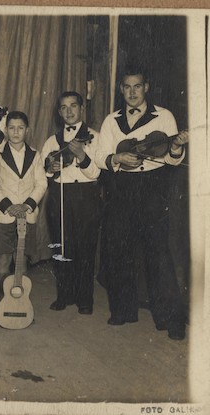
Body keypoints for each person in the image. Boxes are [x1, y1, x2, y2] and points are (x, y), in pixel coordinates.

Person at [94, 67, 188, 340]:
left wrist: (176, 147)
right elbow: (100, 156)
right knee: (118, 250)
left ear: (146, 87)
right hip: (121, 188)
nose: (132, 92)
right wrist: (116, 158)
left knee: (158, 253)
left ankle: (170, 319)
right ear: (121, 89)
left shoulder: (164, 116)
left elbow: (171, 159)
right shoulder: (111, 120)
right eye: (127, 87)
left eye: (137, 86)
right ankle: (123, 311)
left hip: (151, 189)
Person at [41, 91, 101, 315]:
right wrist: (51, 168)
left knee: (86, 247)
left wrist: (82, 156)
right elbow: (43, 173)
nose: (69, 111)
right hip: (60, 195)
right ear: (59, 112)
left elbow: (96, 172)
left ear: (82, 109)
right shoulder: (52, 141)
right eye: (64, 107)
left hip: (86, 196)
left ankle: (85, 299)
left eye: (73, 106)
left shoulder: (95, 137)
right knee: (62, 246)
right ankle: (64, 295)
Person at [0, 111, 47, 319]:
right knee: (3, 261)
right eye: (11, 128)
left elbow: (41, 183)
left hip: (26, 215)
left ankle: (21, 303)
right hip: (4, 215)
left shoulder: (35, 155)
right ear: (5, 130)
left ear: (27, 130)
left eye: (20, 128)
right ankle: (1, 305)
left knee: (22, 261)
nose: (16, 132)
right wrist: (8, 206)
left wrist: (27, 205)